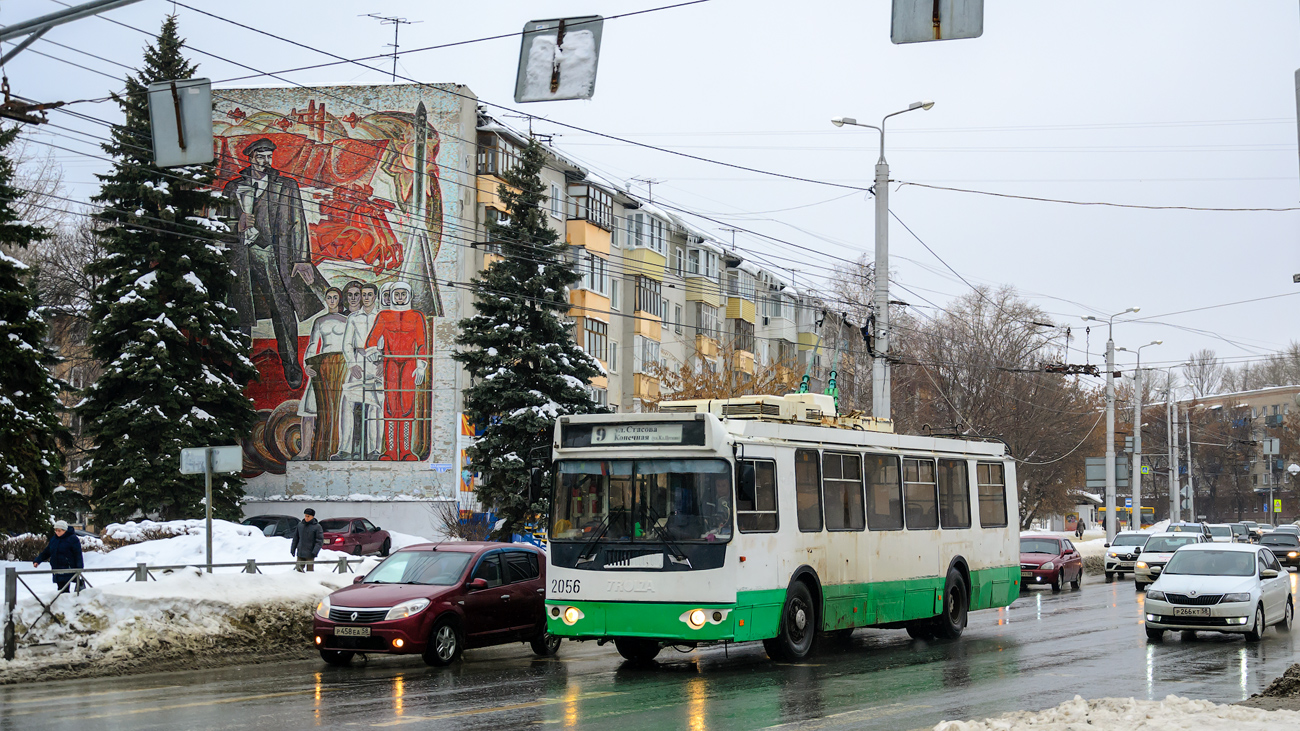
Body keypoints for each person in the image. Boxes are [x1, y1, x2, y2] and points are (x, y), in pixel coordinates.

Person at [222, 137, 326, 390]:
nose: (265, 161)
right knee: (241, 313)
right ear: (250, 158)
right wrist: (237, 225)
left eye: (269, 157)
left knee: (283, 310)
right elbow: (221, 222)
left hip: (272, 256)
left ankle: (291, 365)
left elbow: (298, 222)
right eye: (260, 157)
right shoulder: (233, 187)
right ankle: (240, 367)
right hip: (242, 257)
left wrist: (301, 258)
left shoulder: (287, 186)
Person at [365, 281, 428, 461]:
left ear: (409, 296)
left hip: (410, 364)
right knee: (391, 406)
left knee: (407, 406)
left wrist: (421, 365)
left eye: (403, 294)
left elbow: (422, 343)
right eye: (397, 294)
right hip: (390, 363)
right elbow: (372, 339)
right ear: (392, 296)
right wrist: (372, 351)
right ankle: (390, 450)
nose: (400, 298)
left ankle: (406, 450)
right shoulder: (384, 316)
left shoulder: (417, 316)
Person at [296, 286, 348, 460]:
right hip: (321, 367)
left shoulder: (347, 320)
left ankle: (338, 449)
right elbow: (312, 345)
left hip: (340, 368)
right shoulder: (319, 321)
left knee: (341, 411)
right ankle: (305, 451)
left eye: (335, 297)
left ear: (339, 300)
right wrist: (307, 365)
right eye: (329, 297)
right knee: (308, 409)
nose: (331, 301)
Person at [335, 282, 384, 460]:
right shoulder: (353, 318)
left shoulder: (382, 316)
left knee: (377, 406)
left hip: (377, 364)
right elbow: (347, 343)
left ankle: (375, 450)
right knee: (347, 403)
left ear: (375, 296)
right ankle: (345, 449)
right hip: (358, 363)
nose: (366, 298)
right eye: (364, 294)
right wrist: (351, 364)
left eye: (370, 294)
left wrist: (383, 363)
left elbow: (388, 342)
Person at [33, 520, 84, 591]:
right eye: (56, 530)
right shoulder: (54, 539)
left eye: (59, 531)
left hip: (68, 569)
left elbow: (78, 555)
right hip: (57, 569)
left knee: (64, 590)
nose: (57, 532)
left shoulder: (72, 539)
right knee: (61, 590)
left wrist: (79, 569)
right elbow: (47, 552)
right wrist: (37, 560)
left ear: (64, 530)